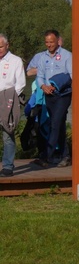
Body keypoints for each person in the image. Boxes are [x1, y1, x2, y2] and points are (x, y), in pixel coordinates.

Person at [35, 30, 72, 167]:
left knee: (55, 124)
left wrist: (57, 85)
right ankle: (65, 155)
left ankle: (47, 156)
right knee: (59, 124)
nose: (49, 45)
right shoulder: (42, 57)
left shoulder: (67, 56)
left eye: (51, 42)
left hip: (63, 95)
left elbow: (72, 76)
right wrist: (43, 86)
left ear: (58, 41)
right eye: (47, 42)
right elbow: (39, 76)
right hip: (48, 95)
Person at [0, 34, 25, 177]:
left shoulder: (16, 61)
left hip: (9, 99)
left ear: (7, 45)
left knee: (7, 134)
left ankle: (8, 166)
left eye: (0, 47)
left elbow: (20, 83)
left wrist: (10, 98)